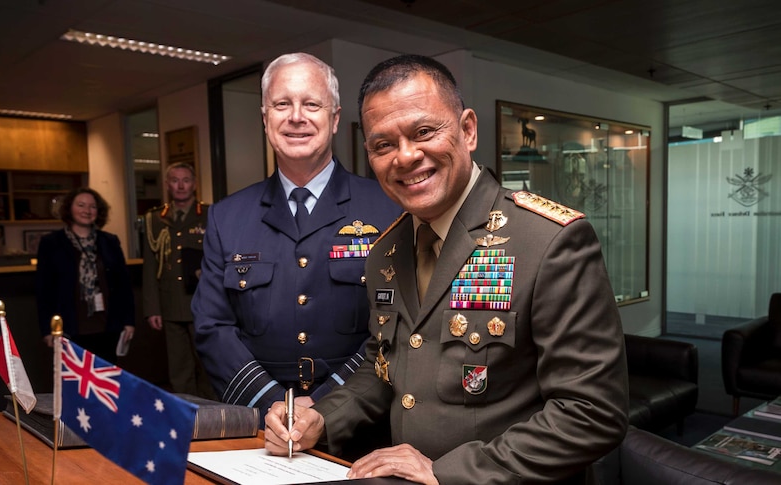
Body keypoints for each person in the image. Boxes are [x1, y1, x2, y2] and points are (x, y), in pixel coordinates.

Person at [264, 54, 629, 484]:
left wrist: (448, 473)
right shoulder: (385, 251)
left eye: (423, 132)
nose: (405, 156)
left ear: (467, 130)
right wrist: (322, 418)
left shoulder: (546, 241)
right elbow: (384, 368)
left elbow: (592, 412)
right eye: (383, 145)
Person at [191, 52, 403, 421]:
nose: (296, 117)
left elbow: (398, 325)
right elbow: (212, 327)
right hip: (262, 424)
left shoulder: (388, 207)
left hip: (359, 422)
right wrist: (274, 403)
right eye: (281, 104)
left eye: (311, 104)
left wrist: (328, 404)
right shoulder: (227, 216)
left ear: (334, 118)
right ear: (264, 117)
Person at [36, 187, 135, 363]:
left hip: (108, 326)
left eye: (92, 206)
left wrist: (128, 321)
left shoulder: (110, 241)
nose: (87, 211)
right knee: (76, 383)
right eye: (81, 205)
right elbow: (44, 290)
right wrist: (47, 329)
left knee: (106, 380)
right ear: (69, 209)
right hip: (70, 326)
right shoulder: (51, 243)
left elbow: (123, 286)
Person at [143, 162, 215, 398]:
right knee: (179, 367)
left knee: (208, 364)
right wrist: (152, 308)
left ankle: (213, 413)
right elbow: (151, 266)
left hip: (203, 302)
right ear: (167, 185)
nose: (181, 185)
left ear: (194, 184)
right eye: (175, 180)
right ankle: (186, 413)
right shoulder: (155, 219)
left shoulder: (209, 214)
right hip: (171, 302)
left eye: (186, 180)